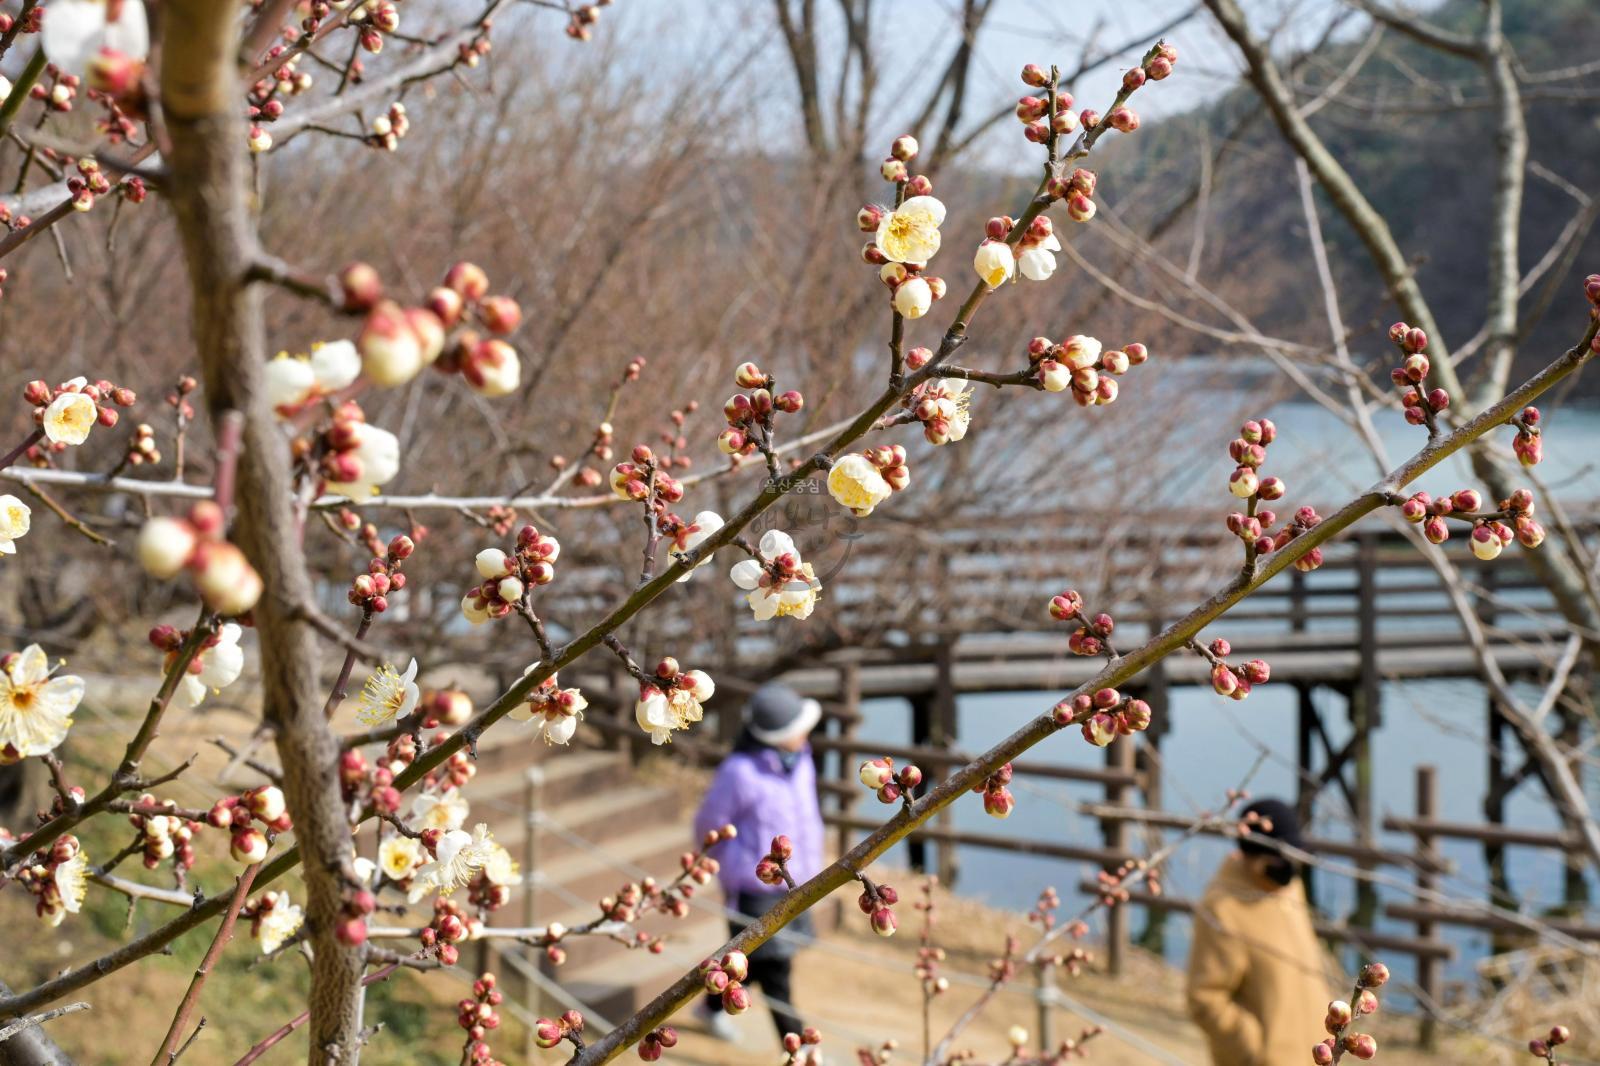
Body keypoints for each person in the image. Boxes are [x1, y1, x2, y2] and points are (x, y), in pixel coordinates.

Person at [692, 683, 824, 1046]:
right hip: (755, 890)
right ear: (779, 734)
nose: (805, 733)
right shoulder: (739, 772)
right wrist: (731, 865)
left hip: (797, 882)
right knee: (775, 970)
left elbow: (808, 818)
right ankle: (799, 1048)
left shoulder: (802, 761)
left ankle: (710, 1007)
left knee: (748, 964)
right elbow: (709, 823)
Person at [1186, 798, 1332, 1066]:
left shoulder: (1290, 888)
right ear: (1251, 855)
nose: (1288, 865)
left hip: (1318, 1053)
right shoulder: (1223, 908)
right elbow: (1204, 998)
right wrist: (1254, 1048)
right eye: (1278, 858)